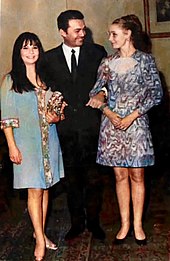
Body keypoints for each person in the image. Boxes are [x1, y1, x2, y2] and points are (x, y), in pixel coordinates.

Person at [87, 15, 163, 245]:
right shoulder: (107, 63)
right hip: (112, 126)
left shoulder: (146, 61)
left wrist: (132, 115)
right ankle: (124, 224)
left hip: (136, 124)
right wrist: (110, 113)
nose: (110, 38)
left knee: (137, 175)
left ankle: (138, 226)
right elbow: (95, 93)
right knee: (119, 175)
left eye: (114, 34)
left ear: (128, 34)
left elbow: (156, 94)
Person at [0, 32, 67, 261]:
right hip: (26, 144)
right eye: (26, 48)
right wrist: (12, 146)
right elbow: (7, 118)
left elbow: (57, 112)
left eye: (35, 48)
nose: (31, 52)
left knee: (45, 187)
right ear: (19, 53)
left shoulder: (45, 76)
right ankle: (39, 238)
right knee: (34, 190)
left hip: (49, 141)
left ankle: (41, 233)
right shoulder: (10, 80)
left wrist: (56, 115)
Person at [44, 10, 107, 241]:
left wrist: (102, 93)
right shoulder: (48, 59)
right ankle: (77, 224)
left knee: (93, 178)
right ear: (63, 32)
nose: (83, 33)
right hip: (65, 130)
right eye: (77, 30)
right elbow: (45, 91)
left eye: (83, 29)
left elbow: (107, 82)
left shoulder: (97, 52)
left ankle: (94, 222)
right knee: (72, 180)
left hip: (92, 127)